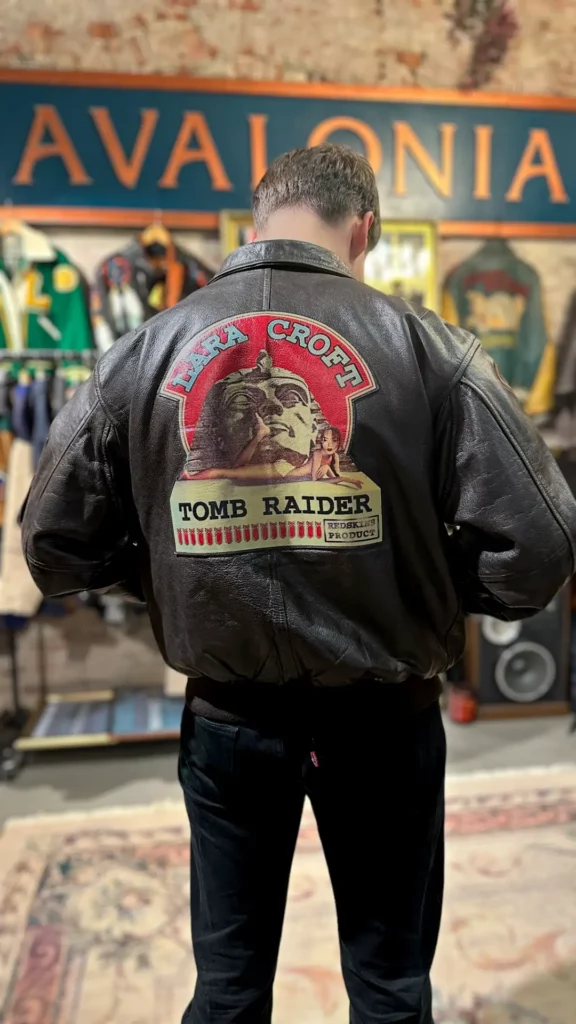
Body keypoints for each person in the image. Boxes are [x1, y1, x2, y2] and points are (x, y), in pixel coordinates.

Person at [21, 144, 576, 1024]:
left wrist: (168, 577)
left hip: (229, 720)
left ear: (255, 223)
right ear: (366, 230)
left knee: (228, 988)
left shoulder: (142, 351)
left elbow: (53, 547)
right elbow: (541, 546)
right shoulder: (432, 350)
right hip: (385, 719)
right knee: (390, 989)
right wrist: (428, 590)